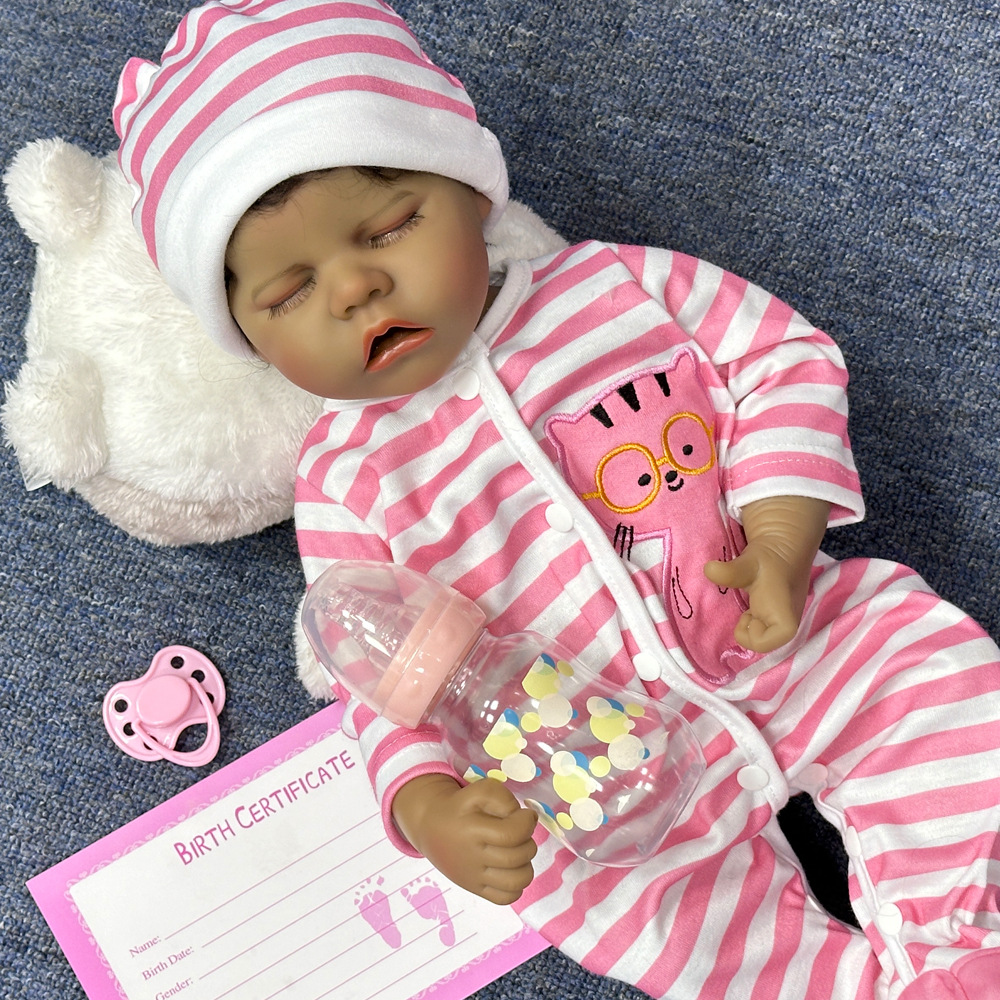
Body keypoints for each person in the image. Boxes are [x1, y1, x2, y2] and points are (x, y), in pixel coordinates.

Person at [115, 2, 1000, 997]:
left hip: (789, 639)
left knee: (936, 686)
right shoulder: (346, 479)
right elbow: (381, 676)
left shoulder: (614, 288)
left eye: (390, 227)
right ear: (250, 339)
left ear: (470, 192)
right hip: (593, 783)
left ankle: (968, 953)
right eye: (287, 293)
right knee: (641, 922)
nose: (357, 287)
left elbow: (782, 359)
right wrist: (427, 811)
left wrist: (782, 527)